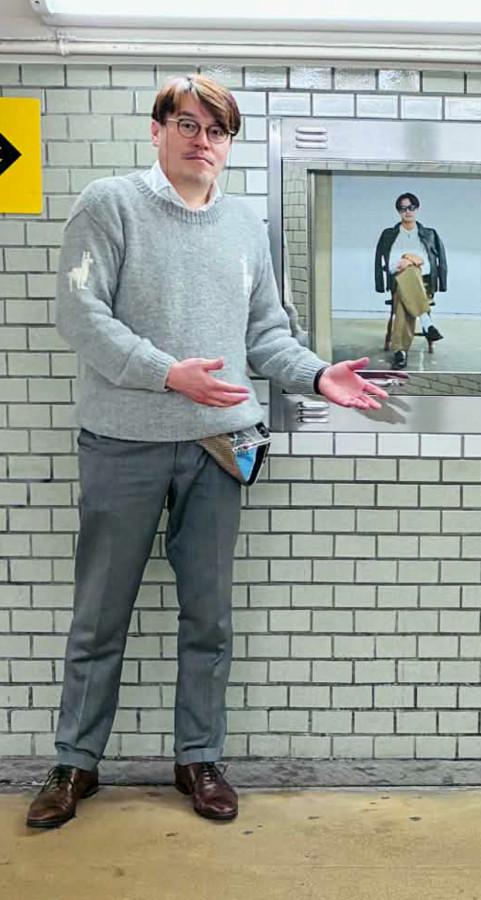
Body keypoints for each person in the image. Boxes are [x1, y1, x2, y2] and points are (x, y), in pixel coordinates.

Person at [26, 74, 391, 830]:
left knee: (208, 617)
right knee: (99, 615)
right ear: (157, 129)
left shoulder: (244, 226)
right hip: (122, 444)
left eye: (217, 131)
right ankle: (74, 763)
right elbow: (80, 314)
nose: (203, 142)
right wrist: (168, 373)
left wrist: (316, 374)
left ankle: (199, 758)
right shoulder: (109, 205)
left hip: (218, 448)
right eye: (188, 125)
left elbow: (265, 334)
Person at [374, 192, 448, 369]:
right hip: (398, 281)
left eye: (411, 207)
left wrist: (409, 260)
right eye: (403, 208)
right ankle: (426, 321)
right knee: (407, 274)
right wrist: (412, 260)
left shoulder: (430, 234)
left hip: (424, 284)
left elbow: (431, 265)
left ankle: (400, 352)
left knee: (404, 297)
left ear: (417, 209)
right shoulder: (389, 234)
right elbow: (390, 265)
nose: (407, 211)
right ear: (398, 211)